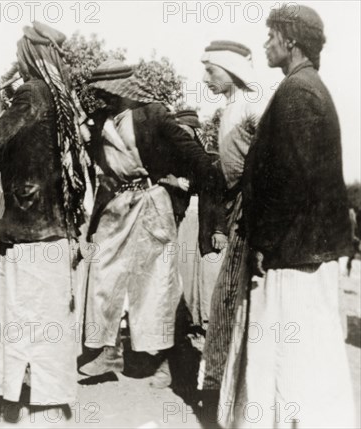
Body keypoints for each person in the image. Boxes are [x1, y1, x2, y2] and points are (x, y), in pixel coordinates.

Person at [221, 5, 356, 427]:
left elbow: (291, 182)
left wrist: (264, 242)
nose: (266, 43)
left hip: (293, 255)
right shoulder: (305, 87)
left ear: (290, 41)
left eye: (271, 36)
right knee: (302, 354)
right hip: (301, 251)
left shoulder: (298, 93)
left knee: (288, 355)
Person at [0, 21, 88, 406]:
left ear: (29, 56)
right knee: (45, 318)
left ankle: (34, 396)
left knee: (23, 318)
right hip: (51, 229)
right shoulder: (57, 97)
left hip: (30, 230)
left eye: (19, 57)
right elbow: (17, 153)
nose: (15, 65)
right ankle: (44, 392)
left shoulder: (32, 93)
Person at [78, 60, 226, 389]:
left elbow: (196, 158)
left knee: (155, 287)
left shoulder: (154, 114)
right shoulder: (101, 119)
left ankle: (166, 362)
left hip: (150, 206)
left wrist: (184, 190)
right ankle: (107, 347)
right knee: (103, 275)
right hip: (116, 207)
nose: (102, 96)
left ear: (122, 87)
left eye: (106, 90)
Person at [197, 40, 262, 414]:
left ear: (231, 70)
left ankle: (228, 388)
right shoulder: (229, 109)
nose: (206, 78)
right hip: (237, 209)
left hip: (251, 213)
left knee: (235, 298)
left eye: (211, 70)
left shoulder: (253, 107)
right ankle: (217, 384)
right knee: (225, 299)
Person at [174, 109, 225, 330]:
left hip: (206, 223)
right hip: (184, 221)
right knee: (182, 268)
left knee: (208, 272)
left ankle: (206, 320)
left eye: (186, 132)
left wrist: (220, 229)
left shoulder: (212, 162)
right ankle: (185, 319)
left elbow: (221, 199)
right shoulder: (174, 162)